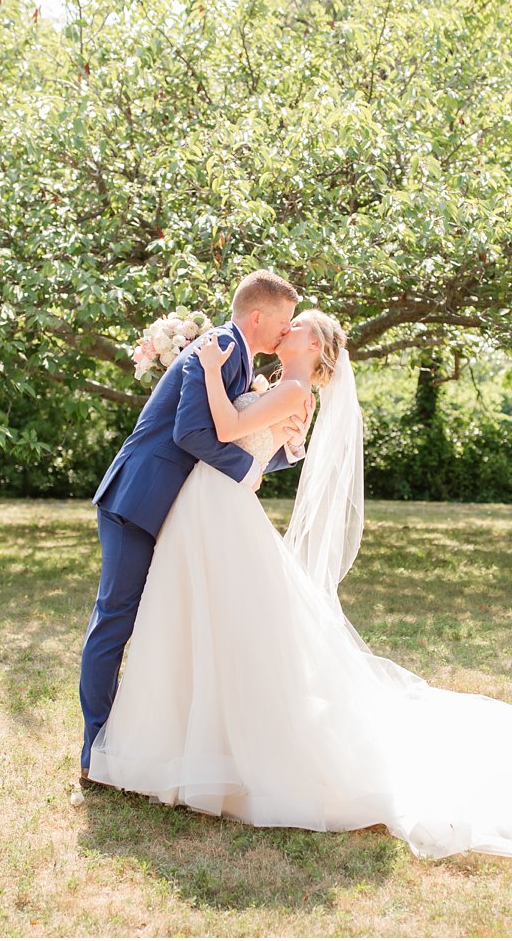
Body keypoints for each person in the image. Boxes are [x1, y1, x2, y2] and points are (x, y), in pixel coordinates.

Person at [85, 308, 512, 861]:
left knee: (226, 625)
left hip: (220, 509)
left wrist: (208, 371)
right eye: (285, 321)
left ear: (315, 343)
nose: (286, 329)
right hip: (208, 506)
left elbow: (225, 430)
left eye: (296, 325)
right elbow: (254, 445)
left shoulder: (291, 385)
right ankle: (181, 742)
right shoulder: (278, 384)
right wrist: (279, 446)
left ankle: (214, 750)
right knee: (196, 621)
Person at [78, 270, 310, 783]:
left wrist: (283, 451)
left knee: (163, 620)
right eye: (284, 320)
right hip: (138, 498)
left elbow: (229, 445)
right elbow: (190, 433)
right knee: (116, 618)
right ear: (257, 316)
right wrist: (248, 472)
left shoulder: (239, 359)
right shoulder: (223, 347)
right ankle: (96, 747)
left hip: (176, 505)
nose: (285, 331)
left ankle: (150, 738)